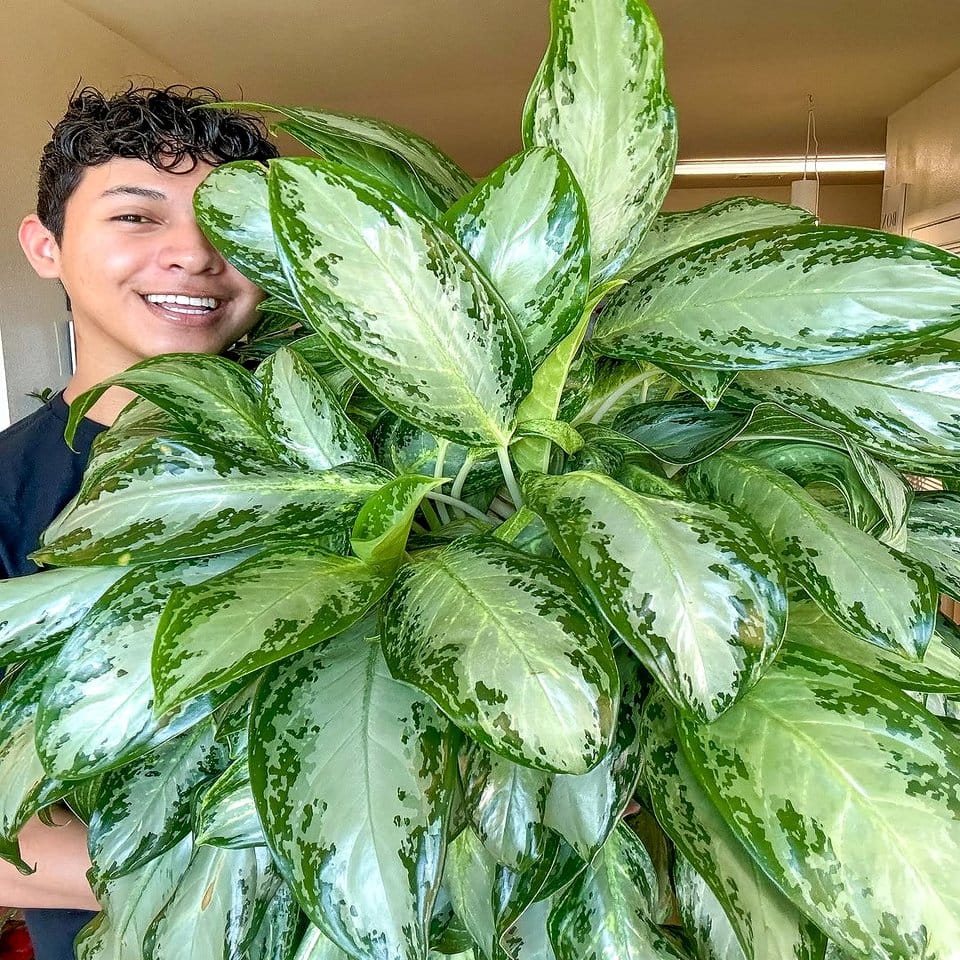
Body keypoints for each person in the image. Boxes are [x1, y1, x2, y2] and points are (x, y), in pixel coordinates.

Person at [0, 84, 277, 960]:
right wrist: (274, 873)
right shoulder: (9, 493)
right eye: (135, 217)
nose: (195, 255)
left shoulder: (371, 460)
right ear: (46, 247)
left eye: (232, 224)